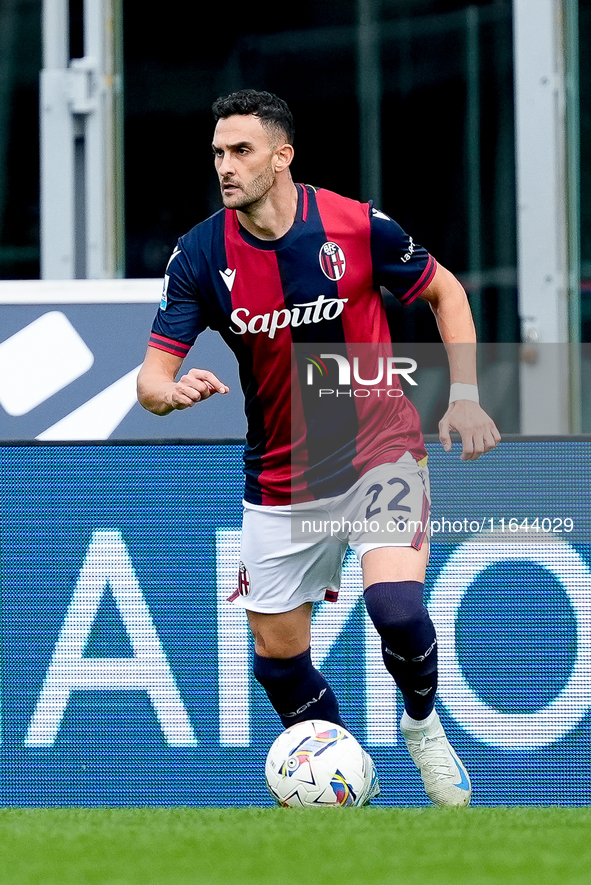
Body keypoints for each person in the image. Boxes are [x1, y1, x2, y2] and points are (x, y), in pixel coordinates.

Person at [137, 88, 501, 807]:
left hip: (379, 449)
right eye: (217, 152)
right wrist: (166, 391)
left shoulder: (355, 225)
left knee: (395, 606)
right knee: (278, 664)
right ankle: (343, 783)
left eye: (241, 150)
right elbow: (150, 376)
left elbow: (445, 292)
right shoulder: (201, 255)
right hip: (280, 475)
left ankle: (422, 726)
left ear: (282, 155)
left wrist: (463, 394)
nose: (225, 166)